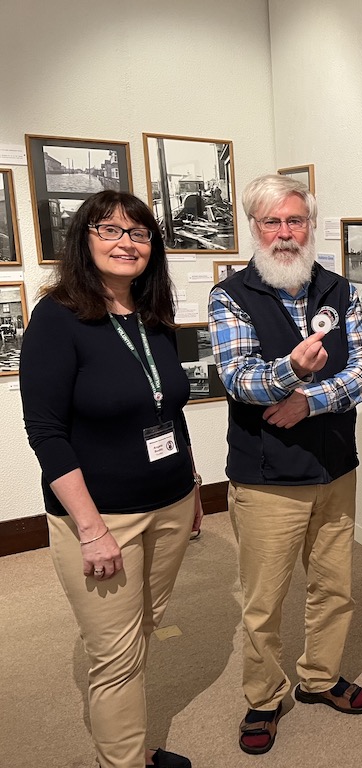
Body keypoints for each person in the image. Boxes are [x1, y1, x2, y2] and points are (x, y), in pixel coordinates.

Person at [21, 190, 203, 768]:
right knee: (116, 655)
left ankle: (128, 745)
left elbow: (168, 408)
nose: (126, 243)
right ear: (84, 240)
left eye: (140, 233)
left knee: (140, 631)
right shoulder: (56, 319)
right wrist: (91, 529)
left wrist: (193, 484)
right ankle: (122, 762)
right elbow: (46, 433)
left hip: (170, 503)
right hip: (103, 518)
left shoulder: (152, 316)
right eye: (110, 230)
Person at [208, 174, 362, 755]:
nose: (285, 234)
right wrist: (293, 370)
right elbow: (238, 378)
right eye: (272, 223)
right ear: (254, 229)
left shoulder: (340, 289)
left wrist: (308, 398)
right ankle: (263, 698)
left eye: (295, 221)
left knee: (335, 587)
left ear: (311, 225)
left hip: (335, 468)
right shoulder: (231, 295)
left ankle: (320, 677)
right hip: (267, 478)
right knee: (264, 599)